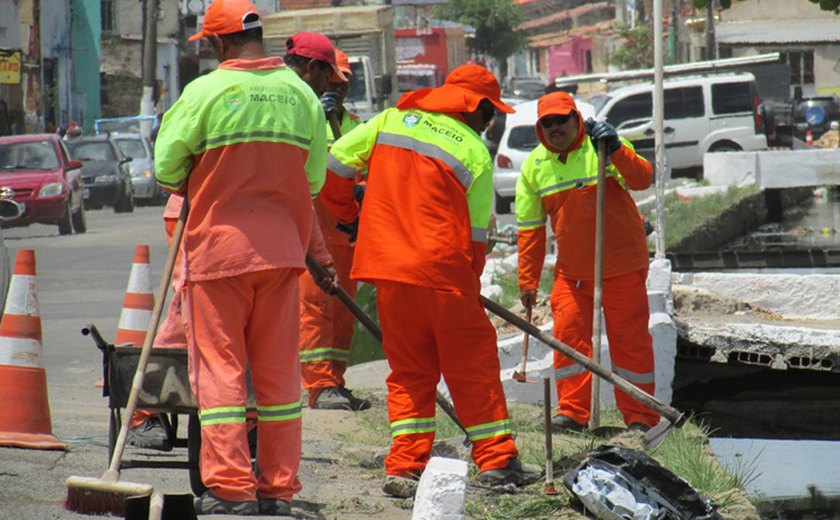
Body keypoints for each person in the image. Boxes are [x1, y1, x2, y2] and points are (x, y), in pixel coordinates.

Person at [320, 64, 542, 498]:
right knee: (471, 368)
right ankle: (497, 461)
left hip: (389, 272)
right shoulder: (475, 153)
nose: (491, 120)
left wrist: (348, 216)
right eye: (490, 112)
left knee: (408, 371)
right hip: (443, 274)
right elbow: (478, 239)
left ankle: (404, 465)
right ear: (474, 107)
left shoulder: (389, 120)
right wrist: (468, 283)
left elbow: (334, 164)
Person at [154, 0, 332, 515]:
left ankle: (232, 492)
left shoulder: (205, 92)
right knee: (278, 378)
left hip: (218, 253)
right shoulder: (301, 95)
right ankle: (278, 489)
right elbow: (314, 181)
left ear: (216, 42)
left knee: (221, 374)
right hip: (281, 254)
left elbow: (168, 171)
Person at [515, 91, 660, 435]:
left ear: (576, 119)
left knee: (630, 343)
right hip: (572, 272)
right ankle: (573, 413)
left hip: (623, 263)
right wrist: (527, 282)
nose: (555, 128)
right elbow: (530, 231)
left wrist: (617, 150)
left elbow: (642, 178)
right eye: (546, 123)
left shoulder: (603, 145)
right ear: (539, 129)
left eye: (561, 120)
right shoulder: (534, 167)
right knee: (567, 339)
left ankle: (640, 417)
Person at [297, 49, 370, 411]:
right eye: (333, 81)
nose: (337, 89)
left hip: (346, 231)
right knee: (314, 307)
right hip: (313, 230)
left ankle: (335, 381)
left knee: (344, 310)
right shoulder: (303, 118)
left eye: (343, 83)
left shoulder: (356, 125)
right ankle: (318, 383)